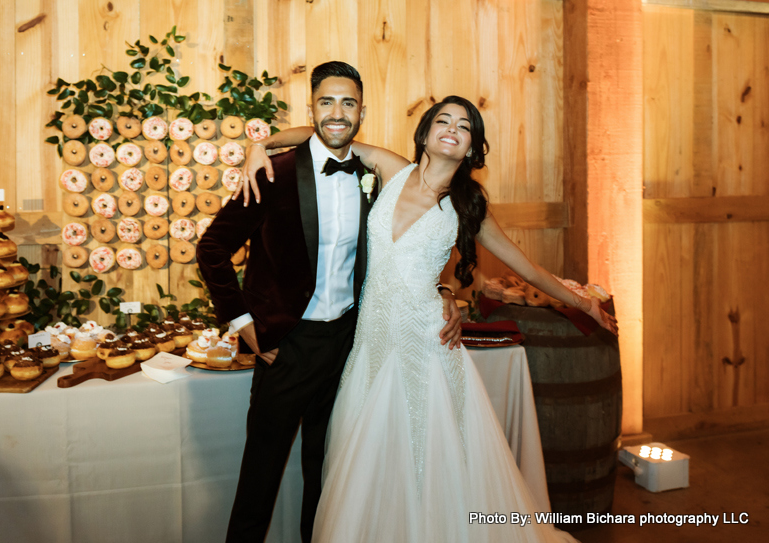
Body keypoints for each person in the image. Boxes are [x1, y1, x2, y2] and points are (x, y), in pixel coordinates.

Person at [239, 95, 617, 542]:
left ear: (472, 148)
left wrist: (580, 301)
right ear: (425, 132)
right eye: (444, 119)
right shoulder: (390, 169)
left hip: (425, 342)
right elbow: (325, 134)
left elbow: (525, 267)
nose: (453, 128)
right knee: (370, 458)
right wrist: (261, 144)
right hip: (369, 343)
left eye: (465, 126)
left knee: (426, 456)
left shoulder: (468, 205)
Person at [196, 62, 462, 543]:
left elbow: (409, 246)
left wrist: (443, 289)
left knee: (329, 479)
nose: (337, 113)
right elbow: (211, 248)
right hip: (285, 347)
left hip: (348, 346)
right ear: (311, 108)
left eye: (348, 103)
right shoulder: (272, 174)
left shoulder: (378, 177)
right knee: (260, 479)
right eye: (326, 101)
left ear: (362, 111)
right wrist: (241, 321)